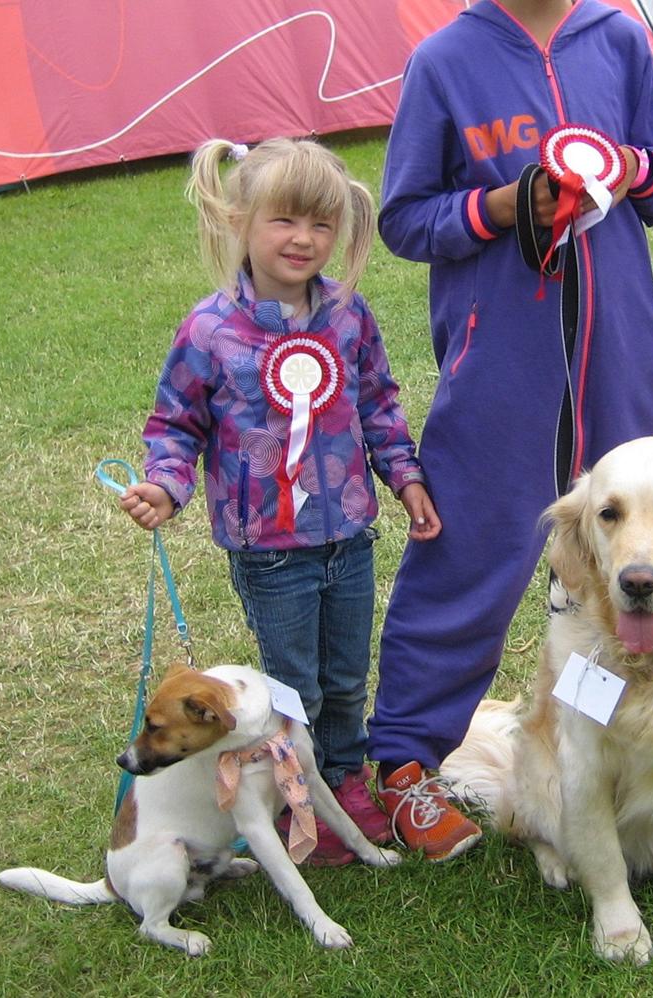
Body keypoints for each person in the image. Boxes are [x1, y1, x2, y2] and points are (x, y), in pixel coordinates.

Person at [367, 0, 653, 858]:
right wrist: (505, 205)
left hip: (621, 350)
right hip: (500, 363)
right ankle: (404, 763)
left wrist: (625, 165)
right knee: (467, 550)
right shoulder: (445, 60)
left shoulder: (618, 41)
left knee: (647, 549)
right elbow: (405, 219)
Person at [120, 137, 444, 864]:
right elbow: (176, 422)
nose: (304, 239)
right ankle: (299, 799)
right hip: (268, 552)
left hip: (348, 536)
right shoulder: (209, 330)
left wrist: (405, 476)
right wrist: (165, 485)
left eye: (322, 225)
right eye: (285, 221)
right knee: (293, 685)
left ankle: (345, 780)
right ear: (239, 219)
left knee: (344, 674)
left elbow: (380, 406)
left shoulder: (349, 318)